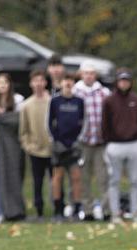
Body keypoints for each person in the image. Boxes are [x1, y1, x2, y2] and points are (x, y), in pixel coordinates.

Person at [102, 68, 137, 224]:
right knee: (114, 181)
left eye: (126, 80)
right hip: (115, 145)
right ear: (117, 81)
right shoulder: (109, 100)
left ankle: (135, 212)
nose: (124, 83)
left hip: (134, 144)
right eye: (121, 80)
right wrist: (108, 141)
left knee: (135, 181)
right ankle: (115, 213)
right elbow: (105, 124)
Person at [0, 73, 25, 223]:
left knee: (12, 178)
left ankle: (15, 210)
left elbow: (17, 120)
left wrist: (2, 116)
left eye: (5, 82)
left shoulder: (17, 100)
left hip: (11, 146)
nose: (2, 85)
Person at [73, 61, 110, 221]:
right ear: (81, 74)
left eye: (92, 73)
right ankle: (87, 210)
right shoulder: (75, 92)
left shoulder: (103, 92)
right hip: (84, 142)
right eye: (86, 73)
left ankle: (106, 209)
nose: (89, 76)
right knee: (84, 178)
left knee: (103, 178)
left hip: (101, 142)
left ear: (95, 75)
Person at [48, 73, 85, 221]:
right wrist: (56, 141)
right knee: (57, 177)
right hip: (59, 145)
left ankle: (76, 209)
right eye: (65, 81)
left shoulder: (79, 102)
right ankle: (58, 210)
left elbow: (84, 121)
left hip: (74, 145)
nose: (68, 83)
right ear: (61, 83)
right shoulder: (55, 101)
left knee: (76, 177)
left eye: (70, 81)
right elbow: (49, 123)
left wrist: (78, 141)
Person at [19, 70, 53, 219]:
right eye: (35, 81)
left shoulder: (52, 102)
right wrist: (28, 146)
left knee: (55, 181)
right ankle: (39, 210)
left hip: (52, 149)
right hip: (35, 150)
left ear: (45, 83)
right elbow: (23, 130)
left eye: (41, 80)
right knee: (37, 182)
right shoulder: (26, 105)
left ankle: (58, 208)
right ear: (31, 84)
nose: (38, 84)